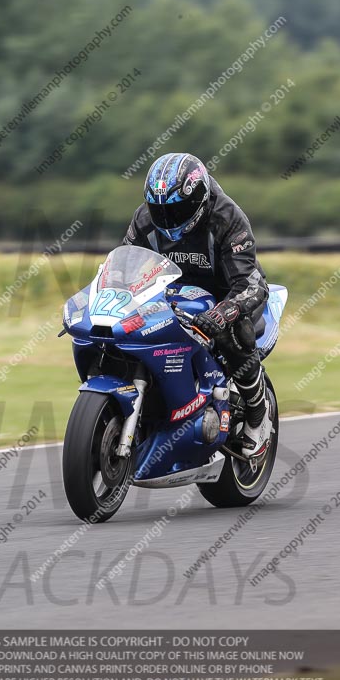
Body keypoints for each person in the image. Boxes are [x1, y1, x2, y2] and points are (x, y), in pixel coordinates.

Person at [122, 152, 272, 458]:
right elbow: (124, 268)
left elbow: (250, 284)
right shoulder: (144, 219)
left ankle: (258, 412)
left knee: (233, 332)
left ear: (199, 200)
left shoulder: (227, 218)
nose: (167, 218)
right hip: (172, 294)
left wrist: (223, 312)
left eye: (177, 209)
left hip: (227, 293)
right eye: (160, 210)